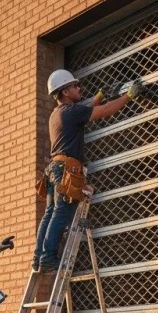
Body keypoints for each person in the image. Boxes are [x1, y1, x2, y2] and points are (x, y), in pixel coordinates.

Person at [32, 69, 147, 272]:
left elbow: (84, 109)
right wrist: (128, 96)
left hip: (53, 169)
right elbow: (104, 111)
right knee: (61, 213)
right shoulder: (71, 111)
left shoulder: (57, 113)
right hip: (65, 169)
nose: (79, 88)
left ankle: (39, 257)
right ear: (65, 92)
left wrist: (100, 95)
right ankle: (48, 257)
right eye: (75, 86)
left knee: (49, 213)